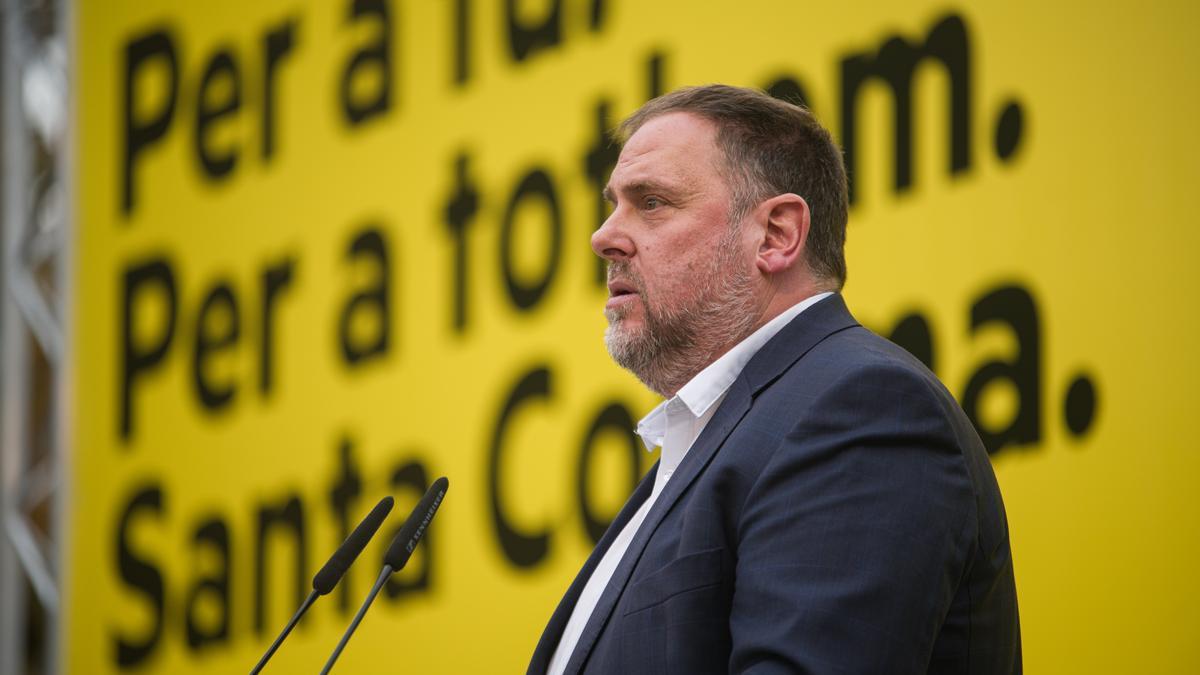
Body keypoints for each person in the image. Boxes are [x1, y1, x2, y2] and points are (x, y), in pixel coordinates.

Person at [527, 84, 1020, 674]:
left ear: (777, 234)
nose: (602, 237)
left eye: (651, 202)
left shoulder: (862, 411)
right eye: (613, 204)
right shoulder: (714, 440)